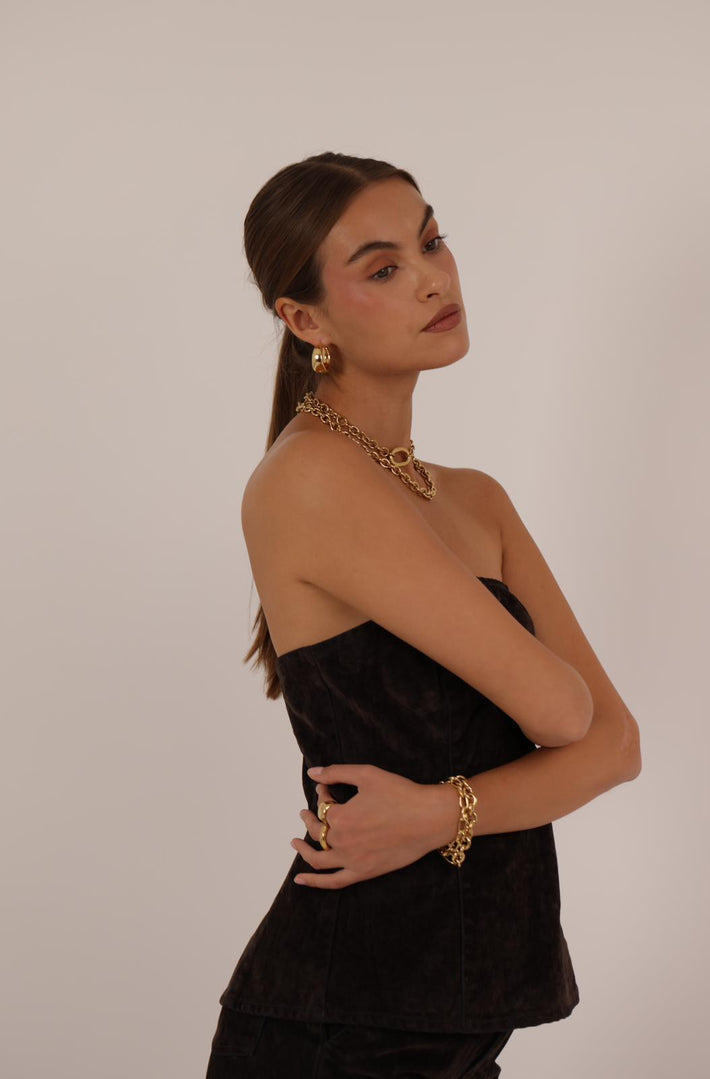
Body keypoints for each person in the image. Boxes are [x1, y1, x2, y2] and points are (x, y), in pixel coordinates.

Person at [205, 151, 642, 1078]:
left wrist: (443, 811)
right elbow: (565, 713)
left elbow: (616, 747)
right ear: (304, 319)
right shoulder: (311, 478)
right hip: (341, 1031)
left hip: (458, 1029)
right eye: (383, 268)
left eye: (432, 241)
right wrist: (483, 801)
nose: (434, 278)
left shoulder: (475, 499)